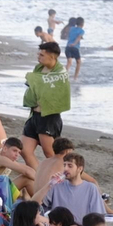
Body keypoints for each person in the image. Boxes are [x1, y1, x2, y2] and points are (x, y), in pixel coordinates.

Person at [21, 40, 70, 169]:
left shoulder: (60, 73)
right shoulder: (38, 68)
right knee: (25, 150)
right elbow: (33, 85)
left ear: (52, 56)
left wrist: (37, 84)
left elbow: (51, 92)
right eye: (39, 54)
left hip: (48, 117)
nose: (38, 57)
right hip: (34, 115)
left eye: (42, 55)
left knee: (51, 154)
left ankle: (63, 176)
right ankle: (39, 177)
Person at [41, 153, 104, 224]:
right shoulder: (56, 186)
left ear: (80, 169)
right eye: (64, 165)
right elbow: (40, 207)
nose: (65, 169)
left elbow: (98, 217)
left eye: (70, 166)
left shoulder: (91, 188)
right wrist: (49, 185)